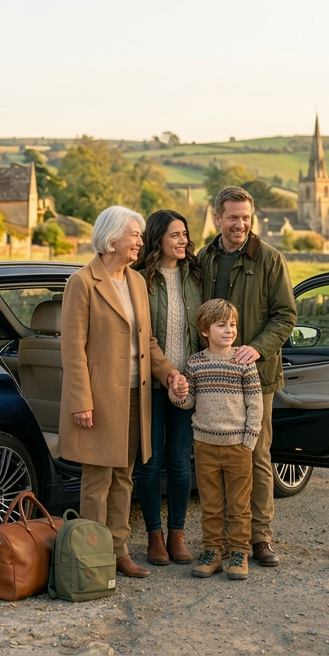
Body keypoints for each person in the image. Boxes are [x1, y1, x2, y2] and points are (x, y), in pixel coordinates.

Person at [60, 205, 184, 578]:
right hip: (98, 400)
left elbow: (148, 342)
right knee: (97, 481)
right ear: (112, 239)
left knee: (124, 478)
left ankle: (118, 553)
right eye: (135, 235)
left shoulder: (136, 282)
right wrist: (81, 401)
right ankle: (90, 561)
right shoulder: (82, 282)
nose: (140, 242)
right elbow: (73, 349)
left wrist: (169, 373)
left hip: (135, 395)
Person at [197, 186, 297, 568]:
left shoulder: (271, 259)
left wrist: (256, 348)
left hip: (256, 376)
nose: (240, 224)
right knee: (212, 460)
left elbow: (286, 315)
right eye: (233, 217)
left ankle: (259, 539)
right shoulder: (203, 258)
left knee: (255, 455)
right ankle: (221, 541)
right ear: (218, 218)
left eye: (245, 217)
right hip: (210, 377)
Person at [170, 298, 262, 581]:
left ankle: (238, 553)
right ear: (204, 330)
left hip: (238, 447)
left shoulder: (243, 362)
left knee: (239, 505)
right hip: (205, 446)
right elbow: (189, 401)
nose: (229, 330)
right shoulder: (196, 362)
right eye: (221, 325)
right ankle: (211, 552)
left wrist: (249, 440)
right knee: (210, 505)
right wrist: (177, 394)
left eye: (232, 324)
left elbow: (255, 404)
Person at [132, 209, 204, 566]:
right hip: (150, 382)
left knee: (179, 461)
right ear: (157, 238)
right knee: (149, 461)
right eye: (175, 235)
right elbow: (140, 335)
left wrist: (188, 376)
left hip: (187, 383)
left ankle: (177, 534)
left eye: (185, 234)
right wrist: (168, 374)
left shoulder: (195, 275)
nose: (183, 241)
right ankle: (154, 536)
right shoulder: (138, 279)